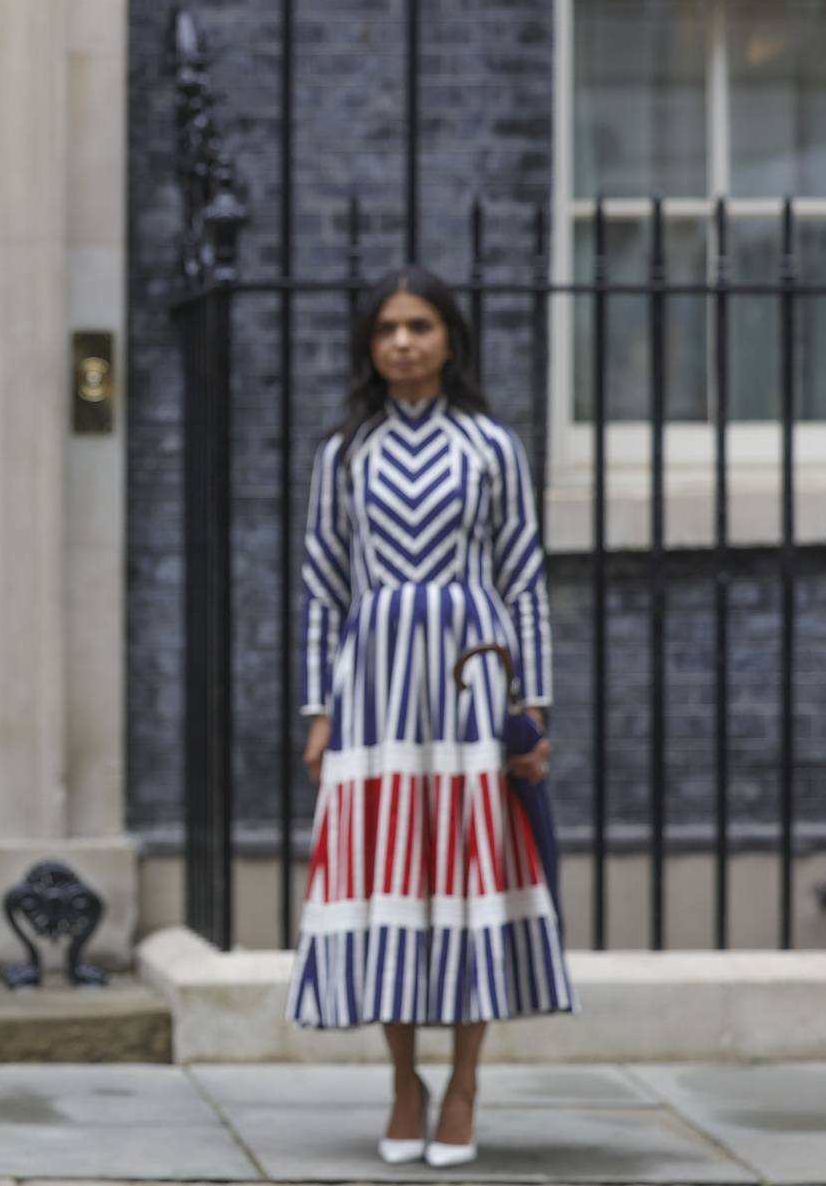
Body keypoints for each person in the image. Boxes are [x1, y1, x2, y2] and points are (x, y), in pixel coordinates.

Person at [286, 265, 574, 1170]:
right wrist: (318, 710)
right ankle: (405, 1082)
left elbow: (524, 578)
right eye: (387, 328)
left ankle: (464, 1085)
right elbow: (321, 586)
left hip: (469, 685)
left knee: (469, 878)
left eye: (420, 325)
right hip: (373, 692)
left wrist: (532, 707)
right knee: (390, 883)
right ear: (370, 347)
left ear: (450, 337)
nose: (403, 341)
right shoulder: (345, 452)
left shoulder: (492, 446)